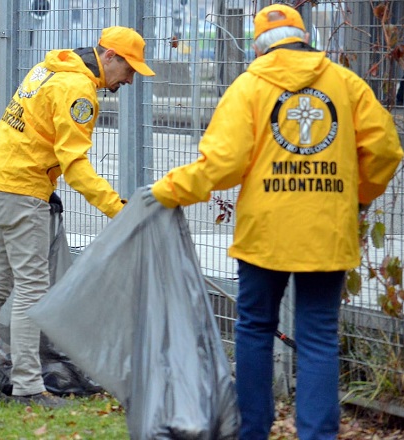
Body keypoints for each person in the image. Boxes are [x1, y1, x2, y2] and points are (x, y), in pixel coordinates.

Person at [147, 5, 402, 439]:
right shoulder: (345, 84)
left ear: (259, 47)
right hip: (327, 231)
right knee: (319, 334)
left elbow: (223, 164)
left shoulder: (249, 87)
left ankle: (252, 431)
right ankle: (317, 434)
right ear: (305, 39)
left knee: (255, 329)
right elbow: (385, 152)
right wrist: (356, 196)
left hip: (264, 234)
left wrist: (168, 191)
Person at [0, 26, 155, 408]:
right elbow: (76, 166)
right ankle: (30, 388)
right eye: (129, 69)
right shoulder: (78, 90)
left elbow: (32, 134)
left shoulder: (49, 68)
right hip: (20, 194)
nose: (130, 80)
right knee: (31, 290)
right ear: (110, 57)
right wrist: (119, 209)